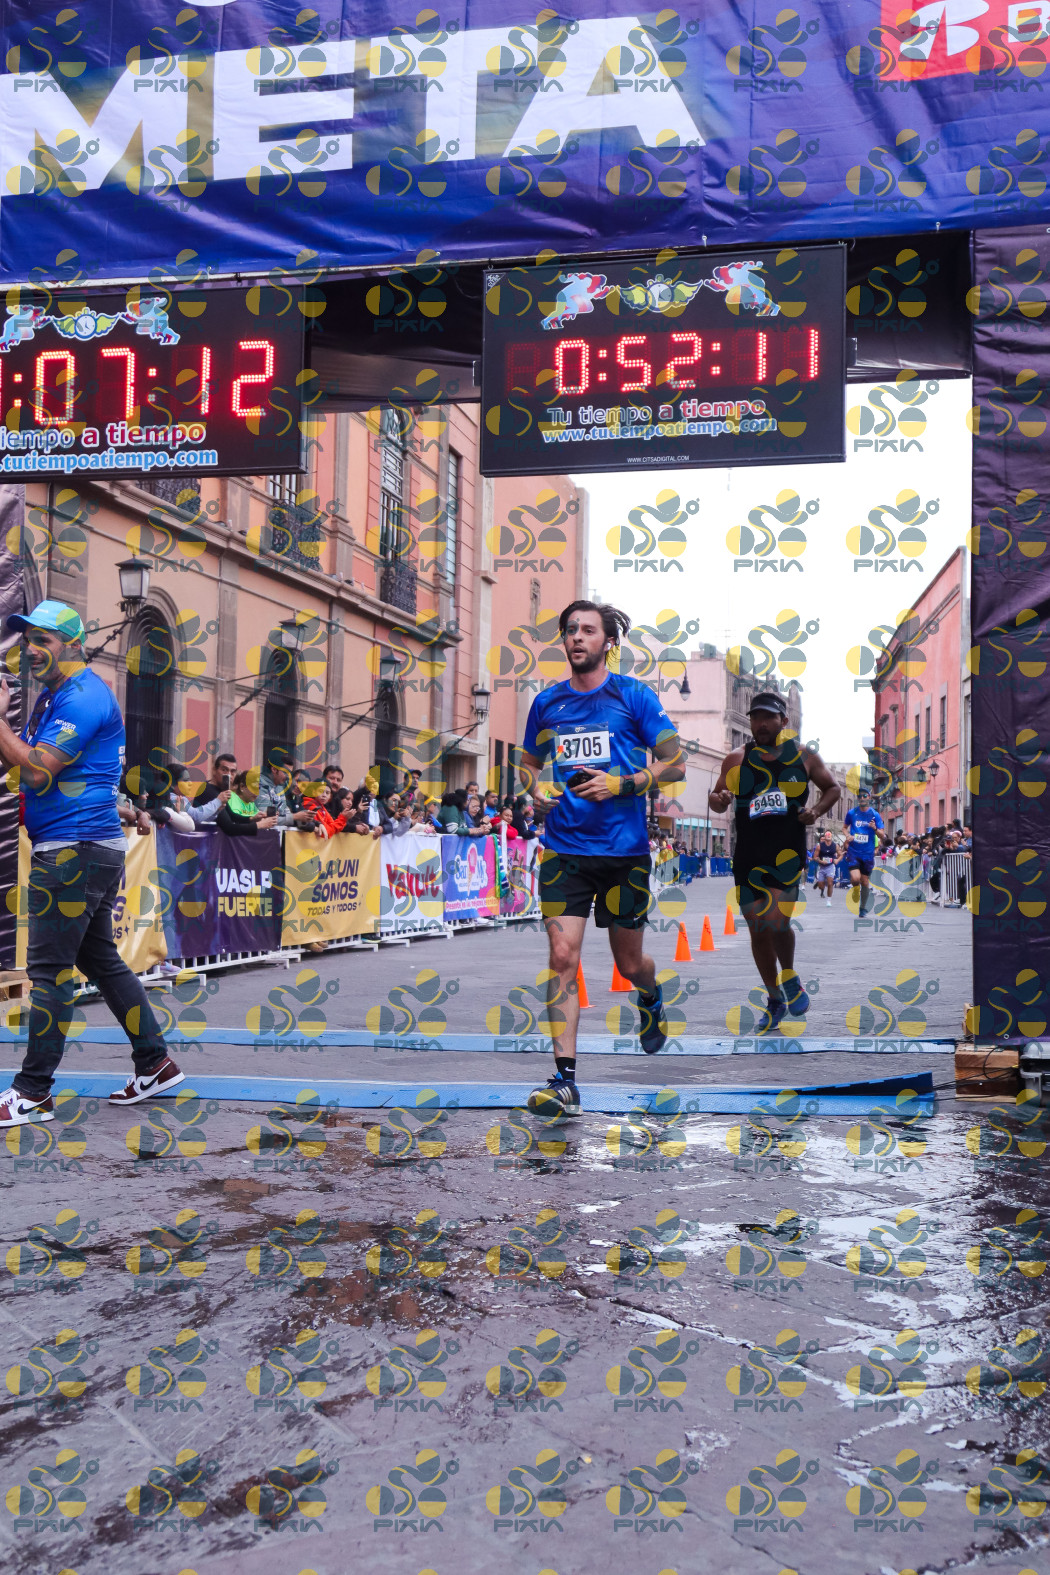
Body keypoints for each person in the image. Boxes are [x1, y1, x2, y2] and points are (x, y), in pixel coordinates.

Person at [0, 600, 185, 1127]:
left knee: (49, 973)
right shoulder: (58, 696)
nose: (31, 650)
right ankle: (155, 1063)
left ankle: (33, 1091)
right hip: (86, 846)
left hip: (72, 852)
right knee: (101, 961)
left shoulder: (81, 697)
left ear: (74, 645)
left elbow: (36, 771)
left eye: (44, 640)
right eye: (27, 641)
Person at [518, 600, 685, 1117]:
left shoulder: (634, 697)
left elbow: (676, 763)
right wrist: (535, 790)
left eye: (588, 630)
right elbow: (528, 763)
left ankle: (650, 995)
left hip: (623, 854)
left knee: (629, 964)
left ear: (608, 641)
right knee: (561, 956)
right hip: (564, 850)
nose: (577, 637)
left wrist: (623, 783)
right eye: (570, 629)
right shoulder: (547, 703)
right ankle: (565, 1081)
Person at [710, 691, 840, 1034]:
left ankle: (790, 976)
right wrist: (720, 798)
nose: (761, 723)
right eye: (756, 717)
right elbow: (717, 798)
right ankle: (774, 997)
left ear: (784, 721)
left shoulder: (804, 757)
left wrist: (816, 811)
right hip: (748, 854)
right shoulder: (736, 759)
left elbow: (833, 789)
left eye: (769, 717)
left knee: (776, 922)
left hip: (787, 853)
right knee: (757, 927)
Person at [842, 787, 889, 916]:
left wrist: (874, 828)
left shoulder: (874, 814)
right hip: (854, 851)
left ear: (869, 797)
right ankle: (855, 888)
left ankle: (862, 908)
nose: (862, 798)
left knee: (865, 881)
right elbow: (844, 828)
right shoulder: (852, 813)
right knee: (855, 878)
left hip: (867, 853)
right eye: (859, 796)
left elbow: (882, 835)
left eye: (864, 796)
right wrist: (847, 835)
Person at [217, 770, 279, 836]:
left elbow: (254, 821)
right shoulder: (230, 797)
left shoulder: (251, 803)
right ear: (242, 787)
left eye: (259, 788)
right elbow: (235, 821)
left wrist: (265, 817)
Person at [813, 827, 838, 904]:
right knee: (821, 886)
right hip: (821, 866)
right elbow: (815, 857)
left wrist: (837, 859)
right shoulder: (819, 846)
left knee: (830, 883)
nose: (828, 836)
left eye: (829, 835)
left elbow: (840, 854)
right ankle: (820, 883)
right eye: (827, 835)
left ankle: (829, 900)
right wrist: (820, 861)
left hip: (830, 866)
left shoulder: (834, 845)